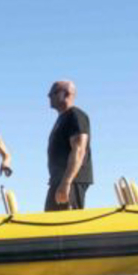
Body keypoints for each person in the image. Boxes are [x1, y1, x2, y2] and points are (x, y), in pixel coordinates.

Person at [46, 79, 93, 210]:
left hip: (72, 180)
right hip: (57, 180)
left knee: (67, 225)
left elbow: (79, 150)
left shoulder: (76, 115)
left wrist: (67, 182)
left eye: (53, 92)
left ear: (66, 94)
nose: (49, 96)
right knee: (50, 224)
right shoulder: (62, 118)